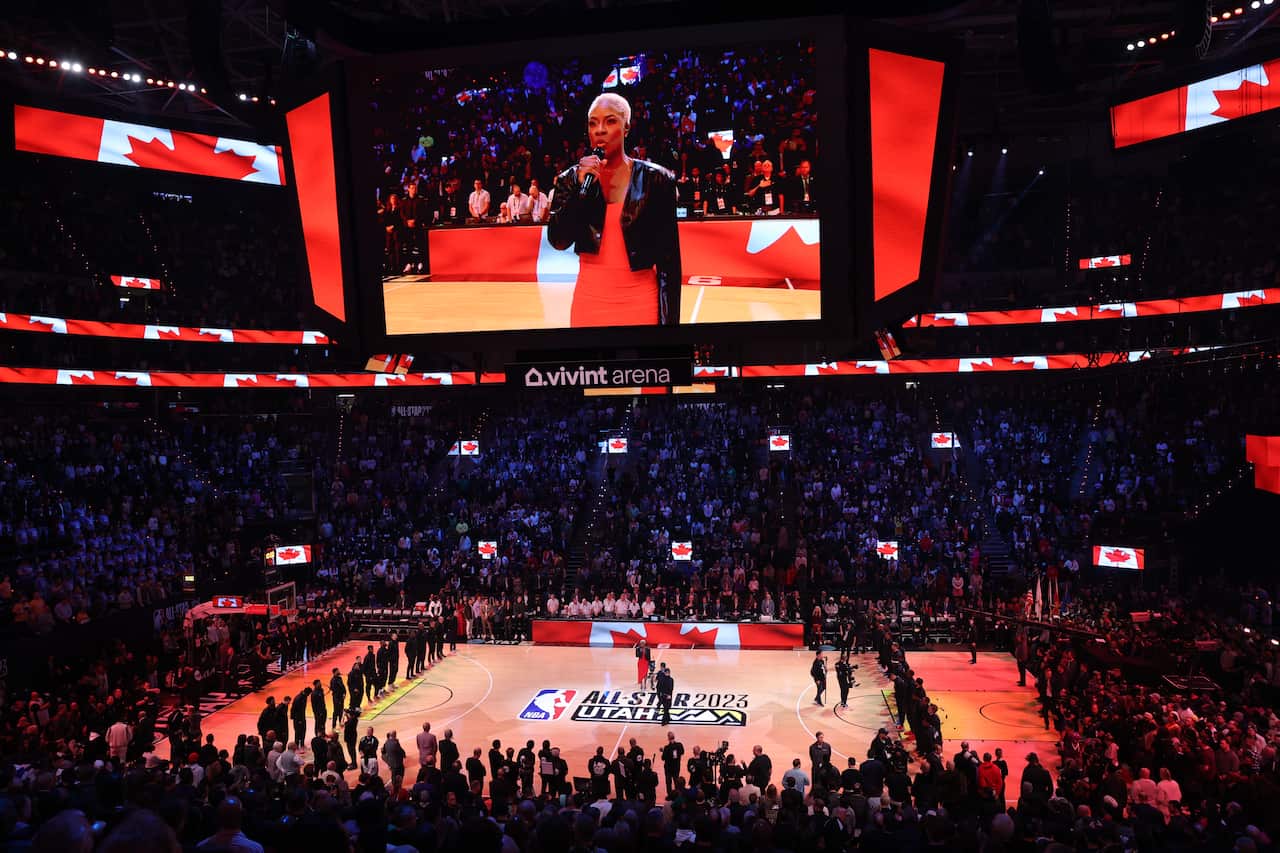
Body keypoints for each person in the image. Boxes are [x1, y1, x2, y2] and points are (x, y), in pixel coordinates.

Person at [548, 92, 681, 327]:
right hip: (589, 305)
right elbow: (559, 240)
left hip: (642, 304)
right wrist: (580, 191)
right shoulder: (571, 179)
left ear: (627, 127)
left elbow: (669, 264)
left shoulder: (657, 179)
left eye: (610, 121)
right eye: (593, 123)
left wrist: (670, 331)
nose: (600, 129)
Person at [661, 731, 684, 797]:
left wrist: (664, 751)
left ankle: (670, 796)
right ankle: (678, 795)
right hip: (676, 767)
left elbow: (663, 758)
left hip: (668, 768)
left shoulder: (667, 748)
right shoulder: (679, 745)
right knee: (676, 782)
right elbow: (682, 752)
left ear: (668, 738)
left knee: (668, 783)